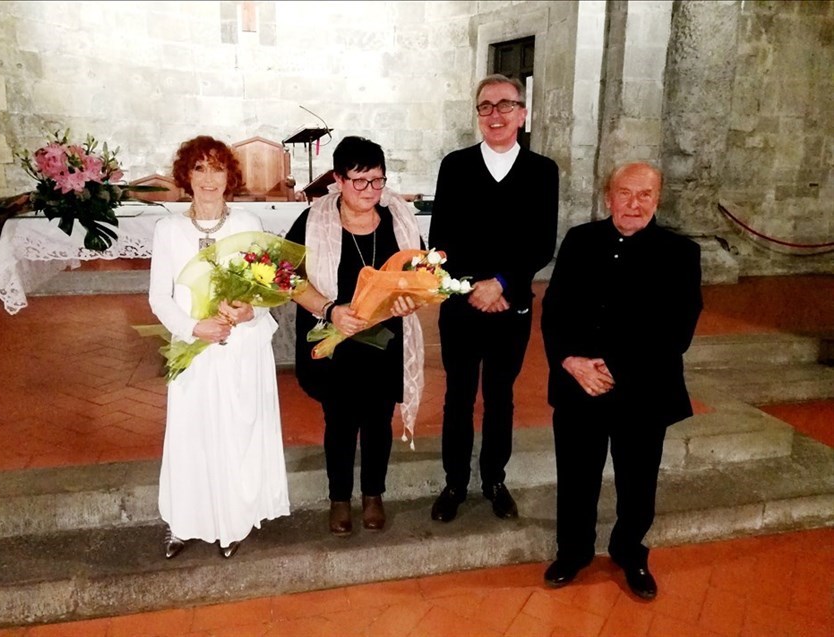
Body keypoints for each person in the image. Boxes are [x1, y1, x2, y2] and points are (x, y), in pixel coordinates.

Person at [540, 162, 702, 600]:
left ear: (657, 198)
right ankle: (573, 552)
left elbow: (677, 330)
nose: (634, 203)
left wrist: (613, 368)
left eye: (644, 194)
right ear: (608, 196)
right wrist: (571, 362)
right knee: (576, 475)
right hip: (578, 384)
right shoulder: (579, 241)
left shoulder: (681, 253)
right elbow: (554, 312)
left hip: (643, 390)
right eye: (625, 193)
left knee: (638, 479)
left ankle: (630, 552)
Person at [148, 135, 290, 559]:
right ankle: (186, 521)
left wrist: (252, 312)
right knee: (191, 437)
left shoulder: (247, 223)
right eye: (198, 169)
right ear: (185, 177)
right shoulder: (168, 229)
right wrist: (195, 328)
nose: (208, 178)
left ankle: (234, 521)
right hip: (196, 349)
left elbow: (268, 289)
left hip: (242, 349)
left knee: (238, 434)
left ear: (229, 176)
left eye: (216, 168)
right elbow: (159, 297)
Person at [428, 74, 559, 522]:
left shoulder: (543, 171)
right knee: (458, 396)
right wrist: (472, 288)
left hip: (511, 305)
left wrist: (501, 283)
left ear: (523, 114)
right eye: (486, 106)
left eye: (505, 105)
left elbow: (542, 243)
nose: (496, 114)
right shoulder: (455, 166)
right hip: (462, 304)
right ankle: (454, 483)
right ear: (478, 116)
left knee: (501, 396)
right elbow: (440, 241)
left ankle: (494, 480)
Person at [286, 136, 425, 537]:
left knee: (379, 418)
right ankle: (340, 499)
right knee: (341, 420)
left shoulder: (400, 219)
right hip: (336, 336)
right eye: (360, 182)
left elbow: (421, 274)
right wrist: (331, 309)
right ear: (339, 180)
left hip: (385, 340)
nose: (371, 192)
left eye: (378, 181)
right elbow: (286, 277)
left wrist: (409, 300)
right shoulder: (313, 221)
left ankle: (374, 495)